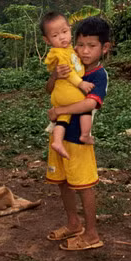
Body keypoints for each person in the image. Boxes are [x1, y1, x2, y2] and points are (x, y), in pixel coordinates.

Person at [44, 16, 111, 251]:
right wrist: (55, 75)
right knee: (63, 182)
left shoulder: (98, 75)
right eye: (80, 45)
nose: (84, 51)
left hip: (78, 139)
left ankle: (92, 234)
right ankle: (73, 223)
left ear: (104, 48)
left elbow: (90, 104)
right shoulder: (71, 62)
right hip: (58, 135)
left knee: (83, 185)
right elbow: (49, 89)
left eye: (91, 46)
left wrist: (60, 110)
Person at [41, 12, 95, 159]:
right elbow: (68, 73)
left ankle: (57, 141)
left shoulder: (68, 50)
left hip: (60, 94)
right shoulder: (59, 54)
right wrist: (81, 83)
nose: (62, 37)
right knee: (84, 105)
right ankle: (85, 134)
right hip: (67, 91)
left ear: (70, 29)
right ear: (47, 40)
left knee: (63, 118)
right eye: (55, 35)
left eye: (64, 32)